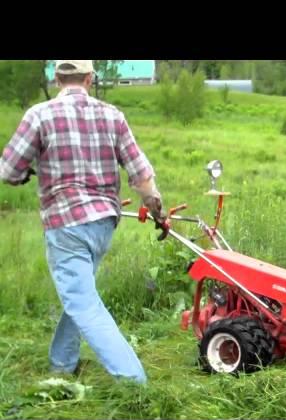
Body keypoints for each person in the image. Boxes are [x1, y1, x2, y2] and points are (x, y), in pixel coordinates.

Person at [0, 60, 166, 383]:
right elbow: (141, 175)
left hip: (66, 225)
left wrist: (23, 176)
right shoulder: (112, 115)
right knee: (80, 294)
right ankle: (63, 363)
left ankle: (135, 384)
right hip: (104, 223)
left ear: (57, 77)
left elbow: (8, 171)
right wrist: (157, 209)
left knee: (84, 304)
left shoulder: (39, 115)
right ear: (90, 77)